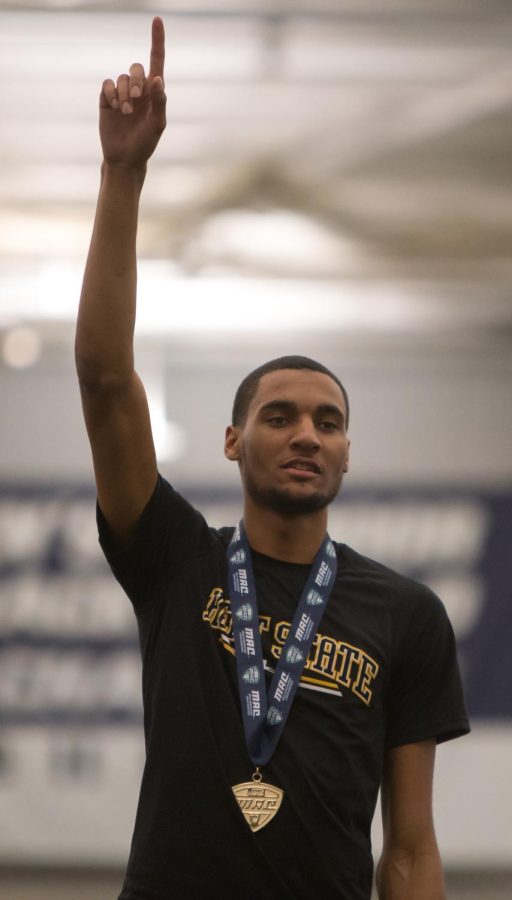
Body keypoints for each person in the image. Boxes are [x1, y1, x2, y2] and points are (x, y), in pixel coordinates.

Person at [76, 17, 470, 900]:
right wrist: (123, 174)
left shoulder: (407, 615)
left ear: (346, 453)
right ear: (232, 440)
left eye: (328, 422)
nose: (307, 434)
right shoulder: (177, 561)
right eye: (281, 415)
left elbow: (409, 848)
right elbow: (106, 381)